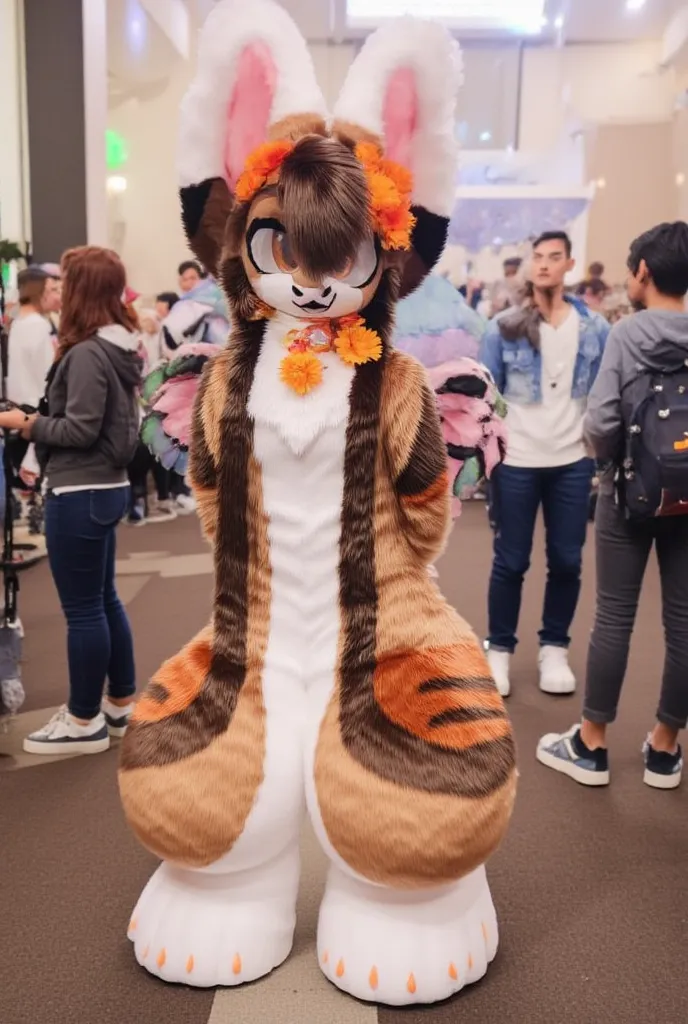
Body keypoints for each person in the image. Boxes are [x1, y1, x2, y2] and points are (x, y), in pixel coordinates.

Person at [537, 222, 688, 789]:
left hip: (628, 493)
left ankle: (593, 744)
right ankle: (666, 749)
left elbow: (600, 419)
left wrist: (609, 465)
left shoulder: (627, 335)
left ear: (643, 273)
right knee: (684, 622)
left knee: (615, 617)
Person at [0, 246, 141, 754]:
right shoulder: (115, 348)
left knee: (83, 609)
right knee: (102, 600)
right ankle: (119, 704)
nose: (58, 289)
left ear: (82, 290)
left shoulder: (85, 353)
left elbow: (79, 429)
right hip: (103, 487)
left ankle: (83, 720)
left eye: (66, 281)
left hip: (80, 489)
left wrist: (26, 423)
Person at [480, 231, 610, 697]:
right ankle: (500, 648)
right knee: (510, 560)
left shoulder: (595, 328)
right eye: (538, 257)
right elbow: (487, 397)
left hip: (572, 460)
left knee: (567, 560)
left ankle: (553, 646)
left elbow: (601, 395)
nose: (544, 265)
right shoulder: (502, 326)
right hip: (518, 459)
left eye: (554, 258)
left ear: (569, 265)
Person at [6, 266, 58, 409]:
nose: (55, 296)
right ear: (39, 291)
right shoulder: (37, 324)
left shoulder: (19, 322)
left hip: (21, 405)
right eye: (51, 290)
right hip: (35, 407)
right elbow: (48, 376)